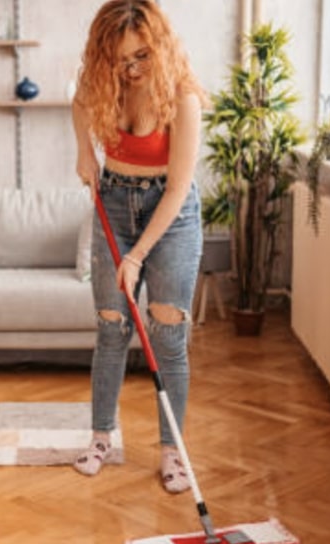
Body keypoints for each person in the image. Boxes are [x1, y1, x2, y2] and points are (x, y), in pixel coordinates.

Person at [71, 0, 207, 494]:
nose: (131, 69)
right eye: (120, 59)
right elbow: (79, 103)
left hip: (170, 219)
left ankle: (173, 453)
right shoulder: (105, 83)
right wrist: (85, 150)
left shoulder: (183, 97)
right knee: (111, 329)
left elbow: (176, 191)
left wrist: (135, 255)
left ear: (160, 46)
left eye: (141, 57)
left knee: (167, 337)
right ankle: (101, 437)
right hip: (114, 199)